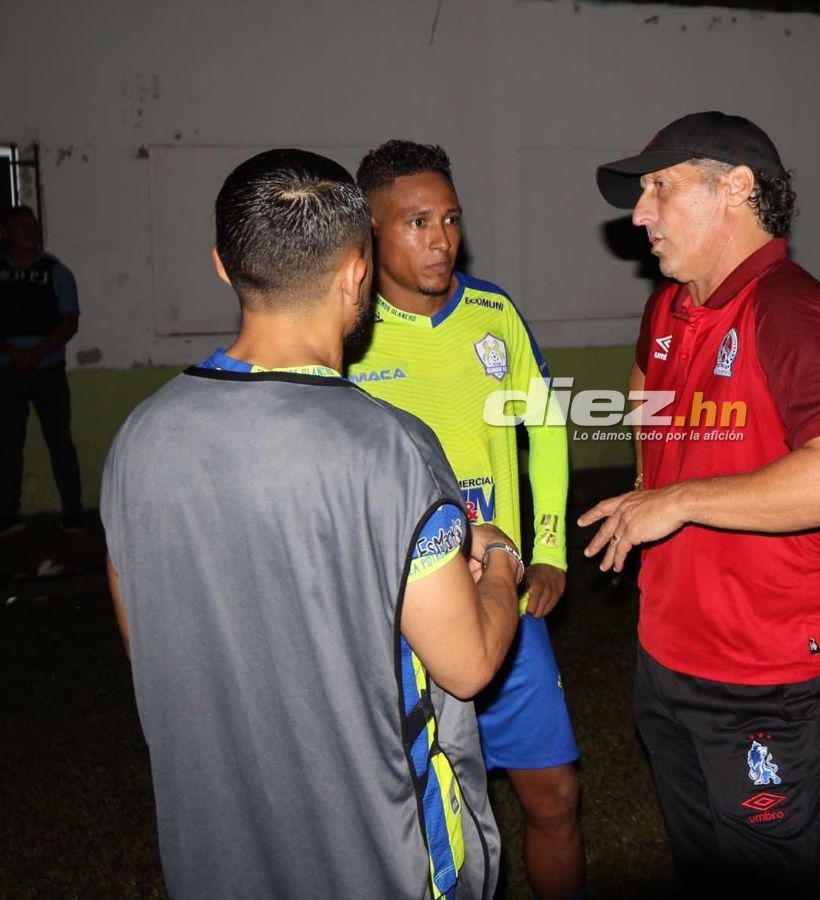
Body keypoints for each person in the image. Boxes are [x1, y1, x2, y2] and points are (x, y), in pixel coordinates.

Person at [101, 149, 520, 899]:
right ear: (359, 273)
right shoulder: (390, 448)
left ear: (224, 268)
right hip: (383, 860)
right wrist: (498, 561)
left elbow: (152, 650)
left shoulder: (138, 440)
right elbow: (467, 661)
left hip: (215, 859)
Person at [581, 112, 820, 894]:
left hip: (765, 676)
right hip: (668, 654)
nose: (639, 213)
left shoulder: (787, 307)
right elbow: (646, 395)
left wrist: (680, 498)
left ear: (737, 189)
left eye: (659, 188)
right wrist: (651, 485)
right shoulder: (672, 306)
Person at [349, 140, 584, 900]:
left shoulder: (493, 313)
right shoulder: (345, 340)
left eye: (449, 218)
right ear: (370, 231)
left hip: (506, 606)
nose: (441, 238)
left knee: (553, 797)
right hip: (403, 629)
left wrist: (548, 549)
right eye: (417, 221)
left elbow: (545, 425)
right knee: (416, 830)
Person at [0, 205, 82, 535]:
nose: (28, 231)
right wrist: (14, 353)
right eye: (19, 226)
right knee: (9, 445)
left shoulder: (56, 271)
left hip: (48, 370)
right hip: (5, 370)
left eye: (31, 225)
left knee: (60, 442)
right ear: (5, 233)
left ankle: (72, 512)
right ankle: (7, 515)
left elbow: (69, 320)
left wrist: (36, 354)